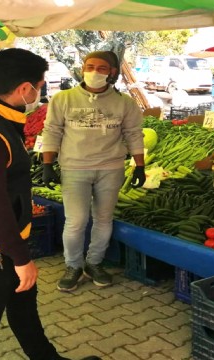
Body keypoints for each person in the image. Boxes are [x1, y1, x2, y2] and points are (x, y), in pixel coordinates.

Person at [0, 48, 101, 360]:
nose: (40, 92)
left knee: (23, 304)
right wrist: (20, 257)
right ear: (25, 88)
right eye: (40, 85)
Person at [40, 51, 146, 292]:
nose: (94, 72)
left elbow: (133, 134)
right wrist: (47, 163)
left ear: (112, 72)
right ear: (82, 69)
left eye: (101, 68)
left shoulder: (125, 103)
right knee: (76, 221)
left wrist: (140, 165)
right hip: (74, 167)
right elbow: (52, 131)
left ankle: (94, 263)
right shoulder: (63, 99)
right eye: (90, 66)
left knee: (103, 219)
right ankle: (73, 265)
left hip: (111, 167)